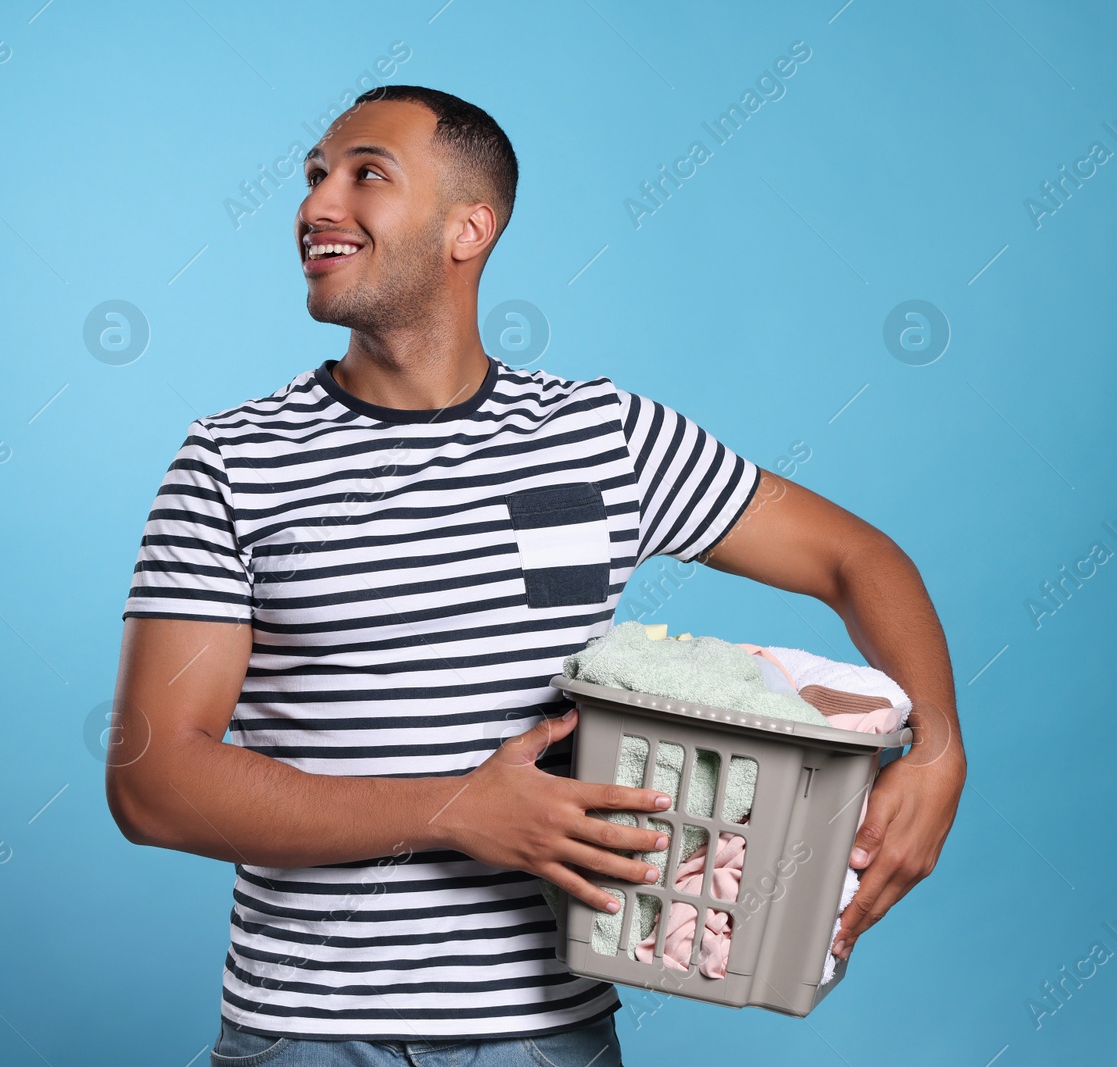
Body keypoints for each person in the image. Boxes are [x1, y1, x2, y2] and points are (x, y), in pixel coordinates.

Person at [105, 85, 965, 1065]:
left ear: (469, 226)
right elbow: (154, 779)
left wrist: (936, 747)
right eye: (314, 177)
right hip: (305, 1034)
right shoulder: (231, 459)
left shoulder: (603, 437)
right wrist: (452, 808)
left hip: (548, 1036)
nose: (316, 205)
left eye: (365, 175)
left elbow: (859, 558)